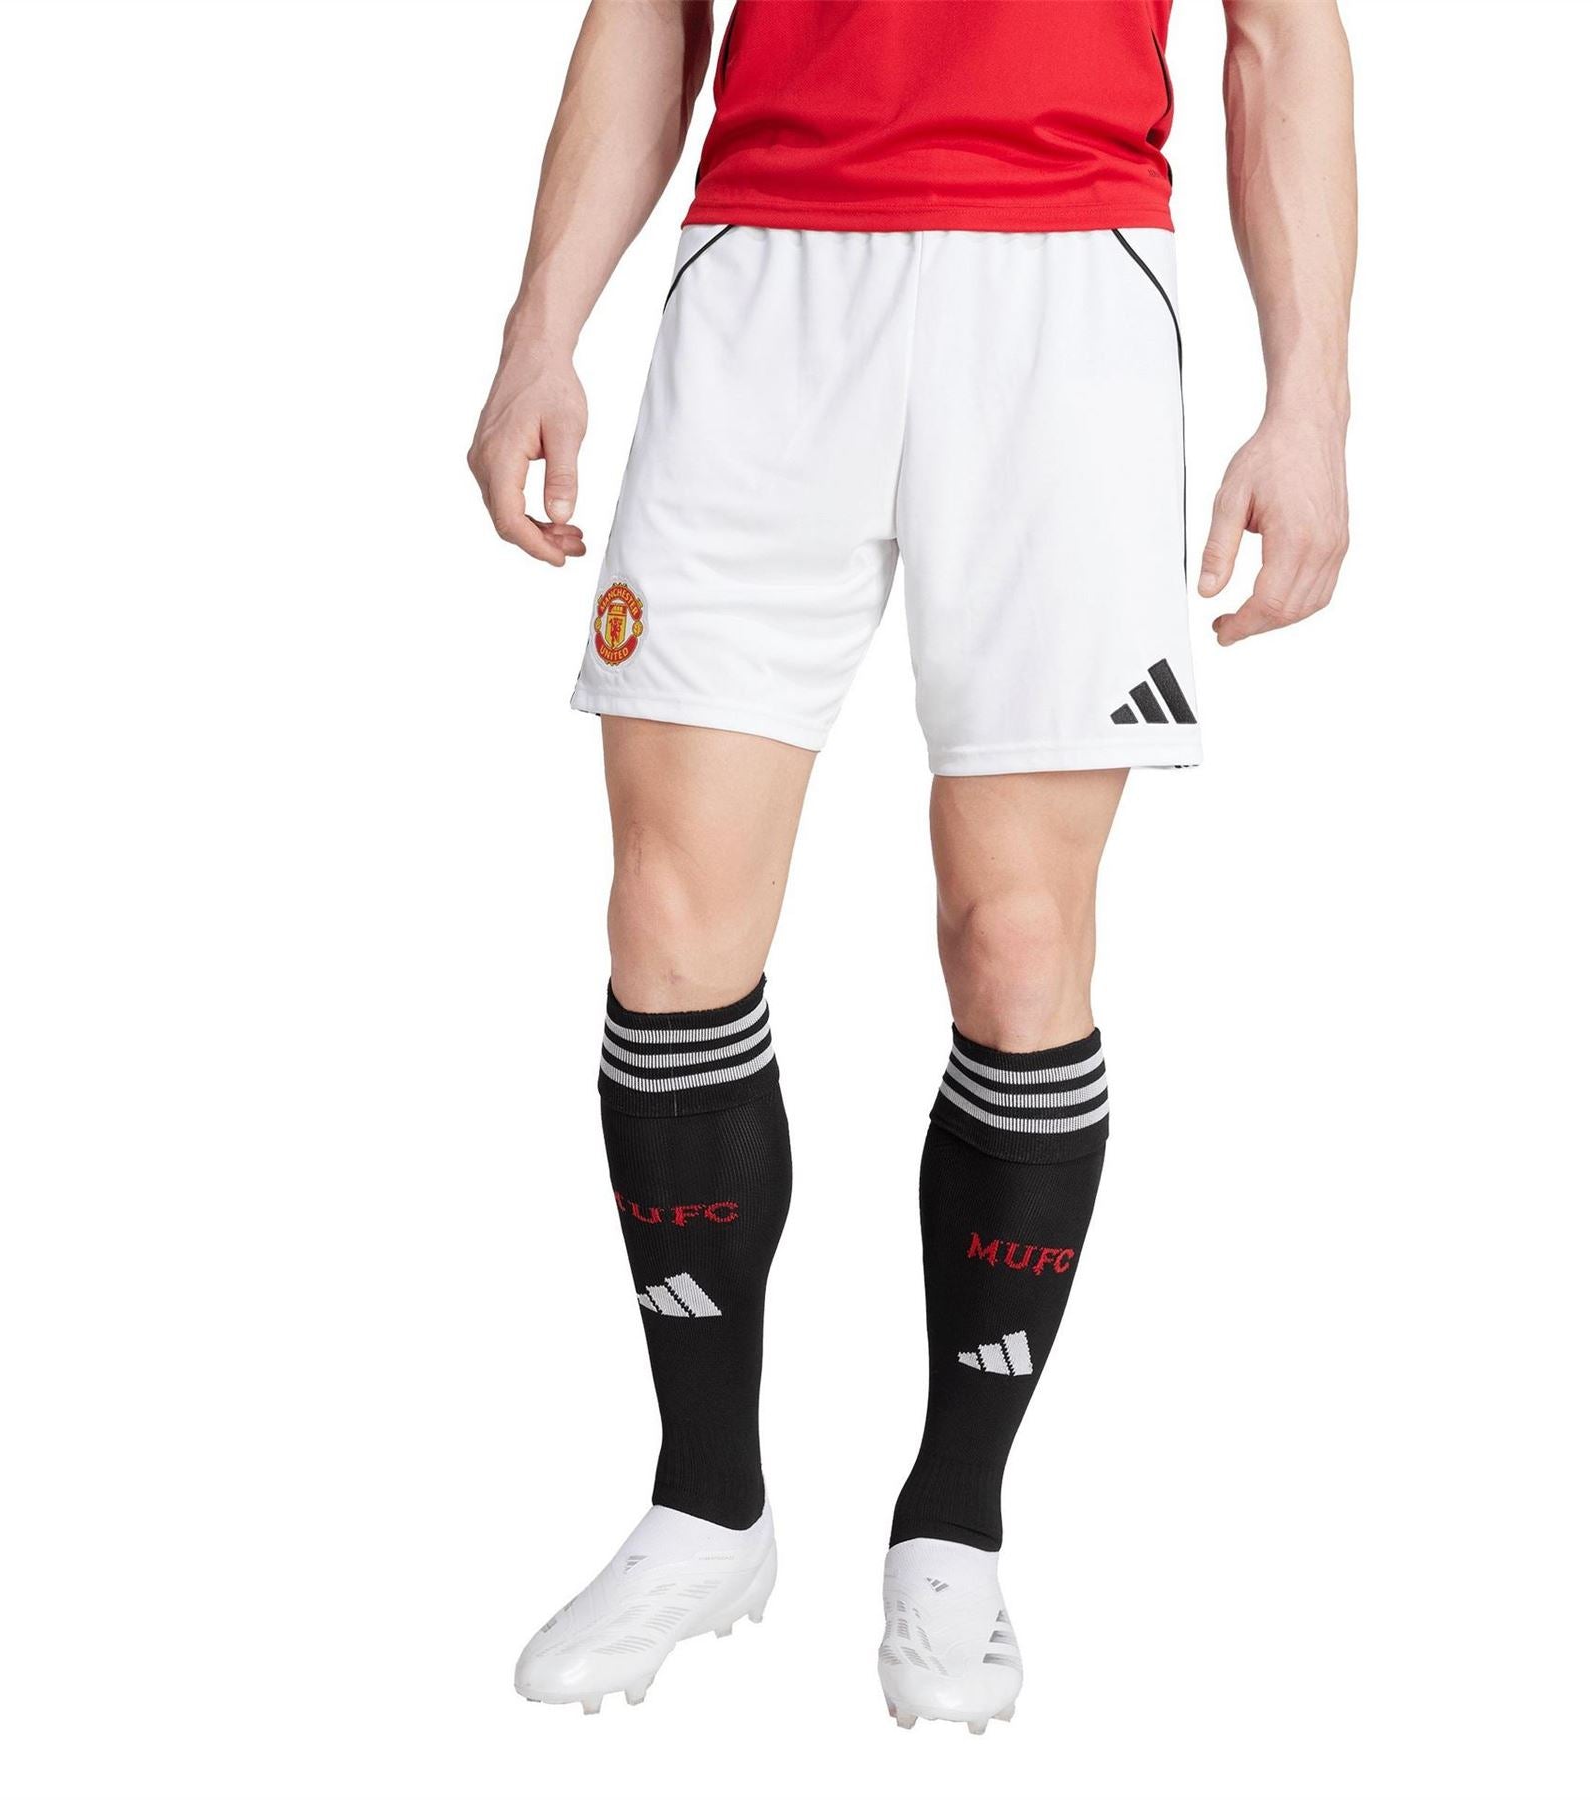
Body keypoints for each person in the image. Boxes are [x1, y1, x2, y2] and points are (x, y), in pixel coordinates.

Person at [469, 0, 1354, 1733]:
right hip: (768, 277)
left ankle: (954, 1523)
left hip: (1066, 288)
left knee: (1018, 941)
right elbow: (648, 14)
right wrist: (539, 331)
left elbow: (1282, 35)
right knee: (668, 920)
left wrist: (1308, 400)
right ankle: (706, 1506)